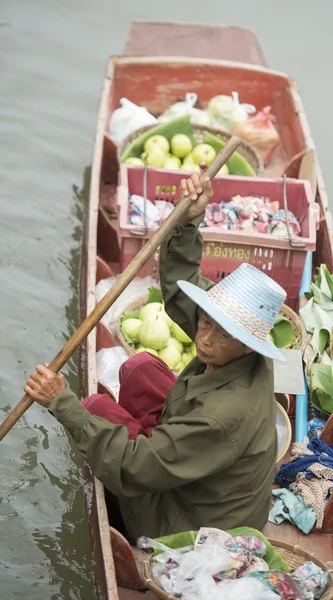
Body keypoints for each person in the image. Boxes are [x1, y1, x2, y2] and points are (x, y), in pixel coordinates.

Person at [24, 169, 287, 542]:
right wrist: (188, 221)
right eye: (206, 322)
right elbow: (184, 289)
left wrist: (62, 402)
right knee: (142, 367)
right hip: (200, 464)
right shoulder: (241, 346)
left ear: (248, 343)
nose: (205, 338)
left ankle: (146, 449)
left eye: (221, 333)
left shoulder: (222, 417)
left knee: (96, 407)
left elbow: (133, 467)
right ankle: (155, 439)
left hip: (195, 524)